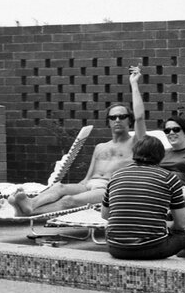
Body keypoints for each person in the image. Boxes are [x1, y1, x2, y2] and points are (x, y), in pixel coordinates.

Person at [9, 65, 147, 216]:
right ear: (108, 122)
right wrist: (75, 187)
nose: (117, 120)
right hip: (89, 186)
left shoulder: (136, 143)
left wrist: (134, 83)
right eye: (113, 117)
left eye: (122, 116)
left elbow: (140, 117)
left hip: (110, 189)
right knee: (60, 187)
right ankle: (30, 205)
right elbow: (87, 178)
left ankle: (29, 212)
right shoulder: (100, 147)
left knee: (68, 200)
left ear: (130, 121)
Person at [100, 135, 185, 260]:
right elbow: (181, 225)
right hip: (153, 249)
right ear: (161, 156)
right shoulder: (169, 178)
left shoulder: (116, 175)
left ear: (135, 153)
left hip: (115, 249)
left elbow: (105, 215)